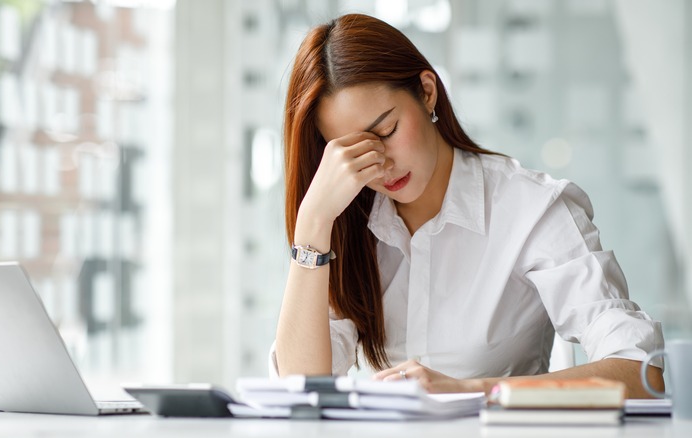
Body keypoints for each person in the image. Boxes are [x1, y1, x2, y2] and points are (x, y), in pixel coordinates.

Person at [271, 13, 664, 398]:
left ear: (427, 92)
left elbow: (640, 372)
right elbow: (299, 389)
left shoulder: (529, 208)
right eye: (354, 155)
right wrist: (313, 223)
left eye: (386, 131)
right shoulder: (347, 225)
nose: (381, 165)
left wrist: (471, 391)